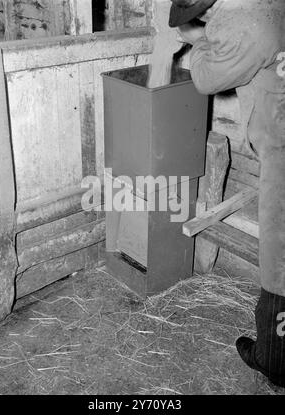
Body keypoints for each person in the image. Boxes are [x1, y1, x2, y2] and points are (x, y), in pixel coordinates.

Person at [169, 0, 285, 387]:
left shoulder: (244, 22)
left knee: (279, 254)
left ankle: (274, 359)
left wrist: (195, 38)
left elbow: (204, 79)